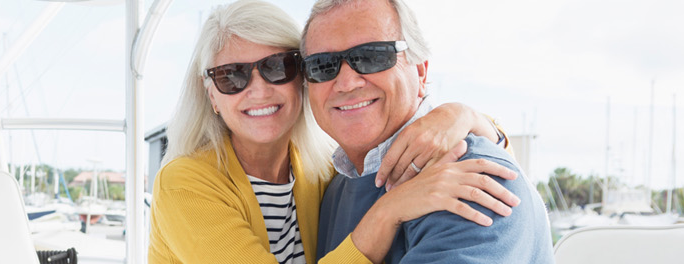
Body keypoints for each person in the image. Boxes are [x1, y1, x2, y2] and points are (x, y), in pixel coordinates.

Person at [148, 1, 521, 263]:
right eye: (232, 76)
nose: (257, 90)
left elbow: (503, 176)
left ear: (302, 79)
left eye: (278, 67)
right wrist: (386, 212)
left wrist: (467, 117)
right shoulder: (185, 184)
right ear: (211, 95)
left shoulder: (323, 174)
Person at [301, 0, 556, 263]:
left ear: (421, 73)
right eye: (322, 66)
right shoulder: (334, 187)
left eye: (371, 56)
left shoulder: (476, 182)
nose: (346, 83)